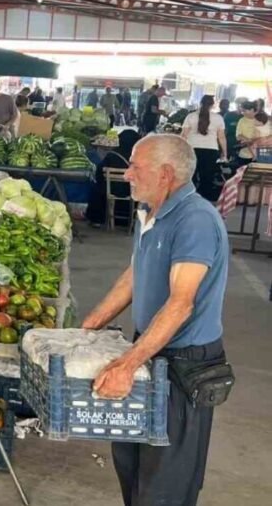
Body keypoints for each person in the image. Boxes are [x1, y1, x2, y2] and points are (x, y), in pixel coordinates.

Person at [82, 134, 229, 506]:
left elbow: (181, 305)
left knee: (165, 483)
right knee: (131, 463)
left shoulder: (195, 220)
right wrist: (87, 328)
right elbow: (135, 275)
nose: (127, 173)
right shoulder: (150, 213)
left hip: (184, 363)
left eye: (135, 166)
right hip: (149, 351)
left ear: (165, 174)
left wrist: (127, 365)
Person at [86, 130, 141, 227]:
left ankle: (97, 221)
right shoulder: (138, 159)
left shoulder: (112, 156)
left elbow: (99, 175)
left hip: (109, 201)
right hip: (131, 202)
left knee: (97, 188)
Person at [181, 95, 227, 202]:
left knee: (190, 175)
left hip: (192, 148)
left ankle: (188, 198)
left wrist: (180, 149)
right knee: (207, 176)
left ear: (200, 103)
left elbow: (184, 135)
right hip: (211, 150)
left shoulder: (191, 116)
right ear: (212, 105)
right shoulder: (218, 118)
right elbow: (221, 137)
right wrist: (224, 153)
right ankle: (204, 200)